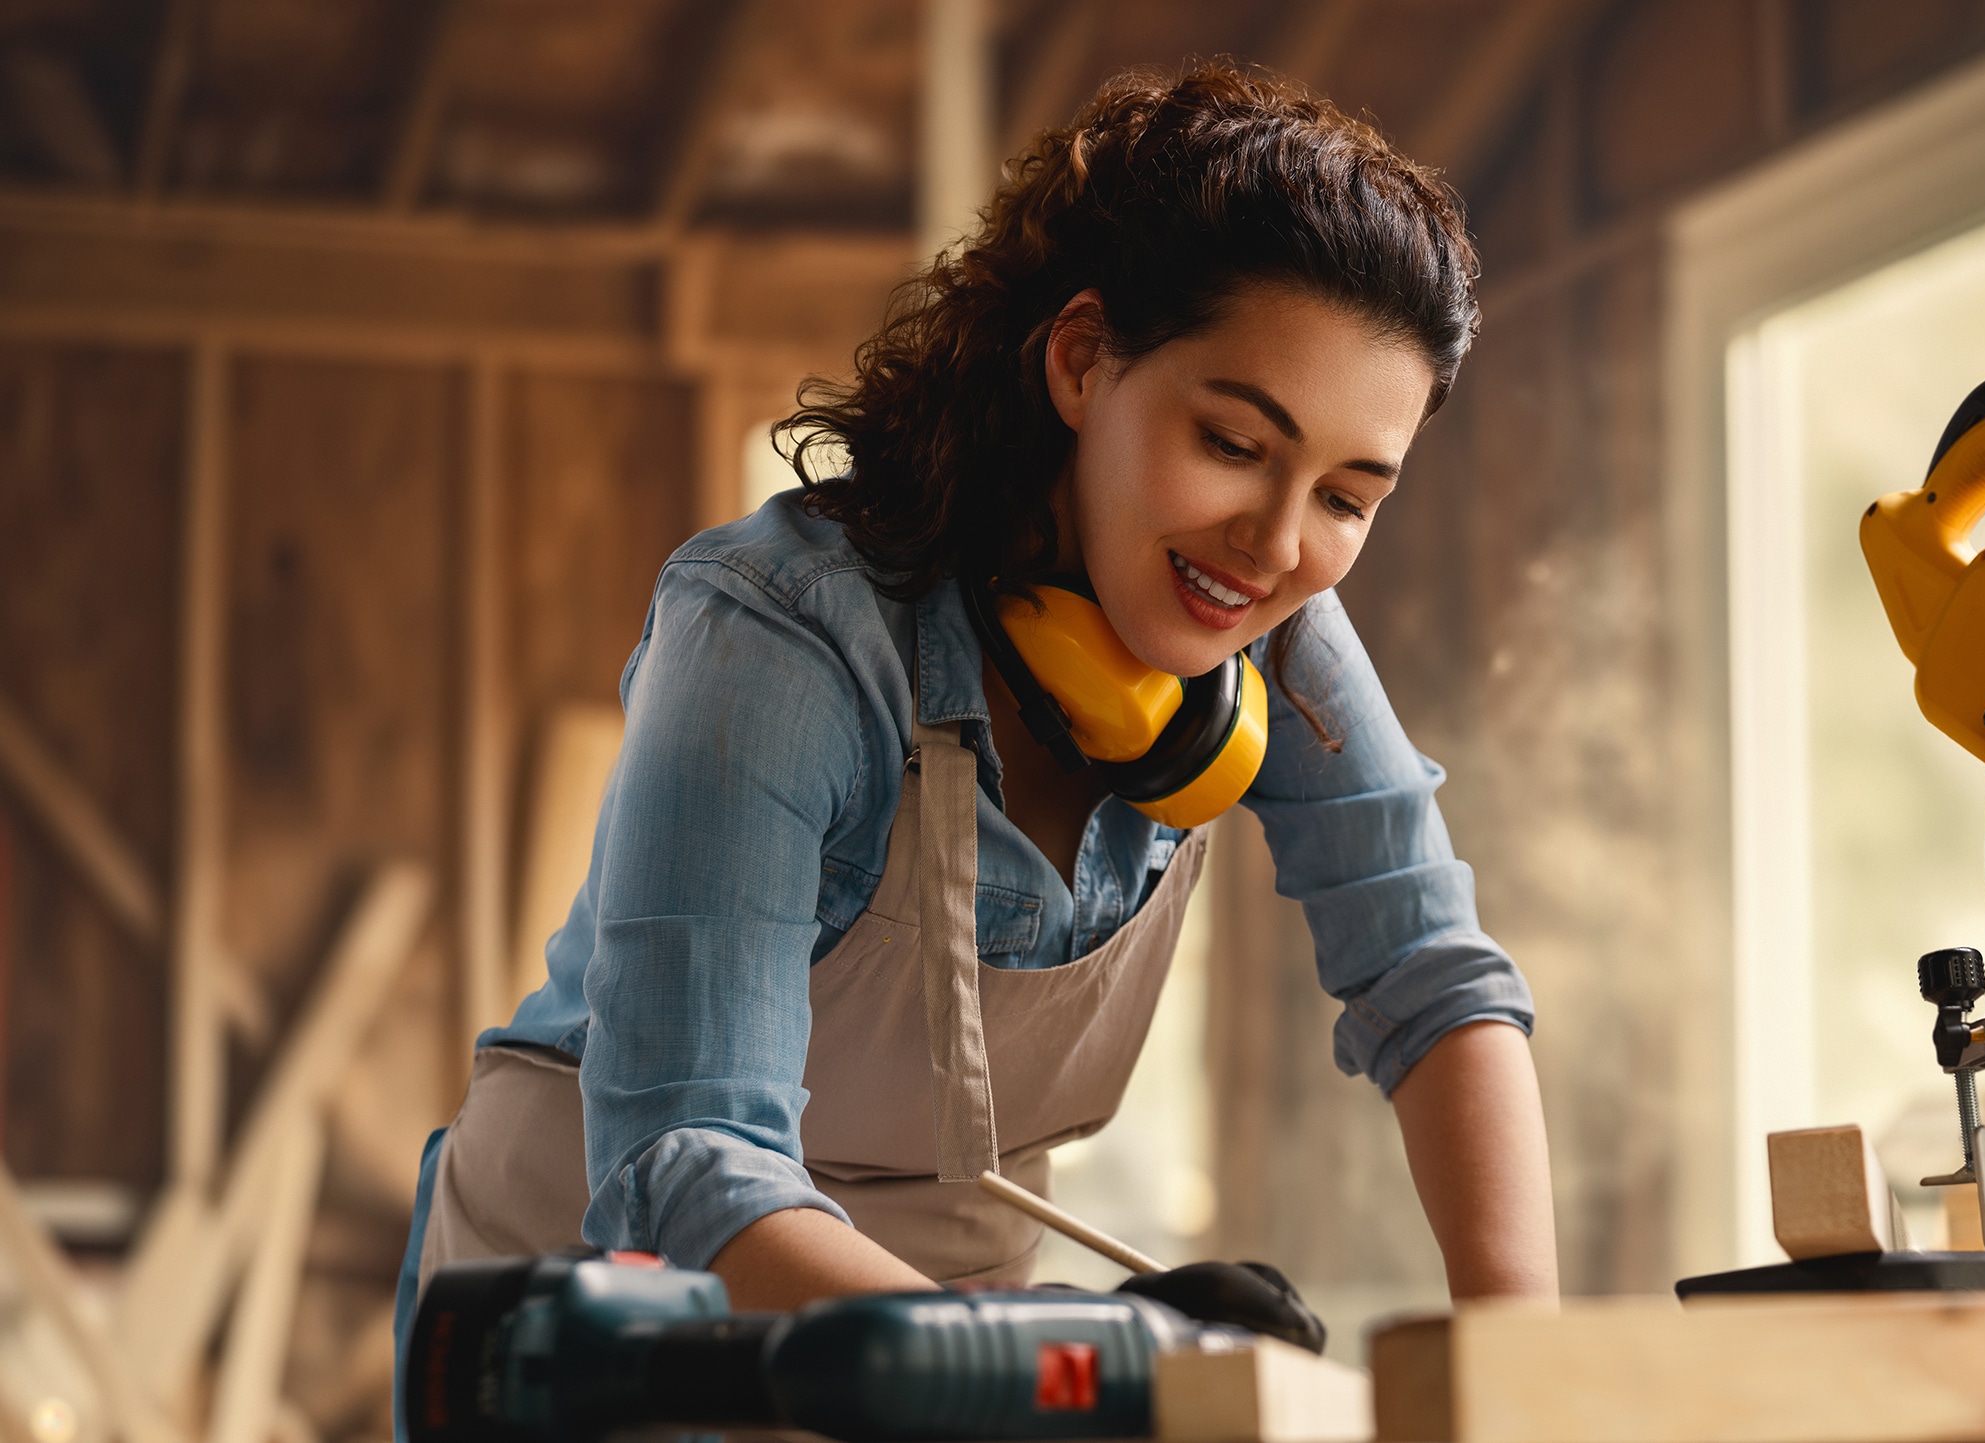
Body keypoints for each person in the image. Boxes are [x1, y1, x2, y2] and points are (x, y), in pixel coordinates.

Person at [394, 61, 1555, 1376]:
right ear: (1079, 361)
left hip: (960, 1355)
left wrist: (1519, 1372)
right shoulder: (778, 630)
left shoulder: (1270, 627)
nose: (1279, 543)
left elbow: (1437, 983)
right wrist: (1080, 1363)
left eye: (1348, 496)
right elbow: (687, 1166)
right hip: (613, 1330)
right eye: (1234, 443)